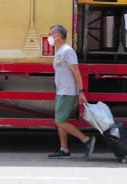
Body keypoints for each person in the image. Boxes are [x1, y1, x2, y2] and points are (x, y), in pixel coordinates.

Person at [47, 24, 96, 159]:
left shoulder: (68, 51)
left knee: (59, 121)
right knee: (60, 120)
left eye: (51, 34)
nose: (49, 37)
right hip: (61, 91)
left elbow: (76, 72)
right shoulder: (59, 50)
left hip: (67, 91)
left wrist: (81, 91)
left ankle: (86, 140)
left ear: (58, 35)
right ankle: (64, 149)